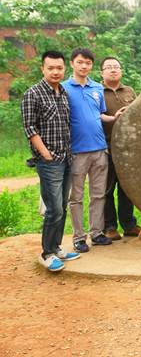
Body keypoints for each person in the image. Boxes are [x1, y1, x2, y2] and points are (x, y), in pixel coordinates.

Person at [21, 50, 81, 271]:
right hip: (49, 161)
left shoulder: (63, 93)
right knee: (53, 209)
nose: (55, 72)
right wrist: (45, 154)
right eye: (51, 68)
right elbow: (30, 128)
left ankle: (56, 248)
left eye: (59, 68)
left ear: (64, 69)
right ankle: (47, 253)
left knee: (62, 206)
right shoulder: (33, 93)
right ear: (42, 69)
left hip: (66, 157)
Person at [63, 48, 124, 253]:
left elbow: (99, 114)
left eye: (88, 63)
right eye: (80, 62)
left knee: (99, 195)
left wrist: (113, 118)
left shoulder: (97, 88)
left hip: (100, 149)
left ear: (91, 66)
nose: (84, 66)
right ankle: (79, 237)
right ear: (72, 63)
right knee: (76, 197)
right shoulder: (63, 89)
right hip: (76, 150)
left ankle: (96, 233)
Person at [100, 57, 141, 241]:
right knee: (107, 189)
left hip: (127, 149)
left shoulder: (129, 91)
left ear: (121, 70)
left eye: (116, 67)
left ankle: (129, 224)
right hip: (106, 148)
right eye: (108, 67)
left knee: (126, 188)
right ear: (102, 72)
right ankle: (109, 227)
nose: (113, 70)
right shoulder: (97, 92)